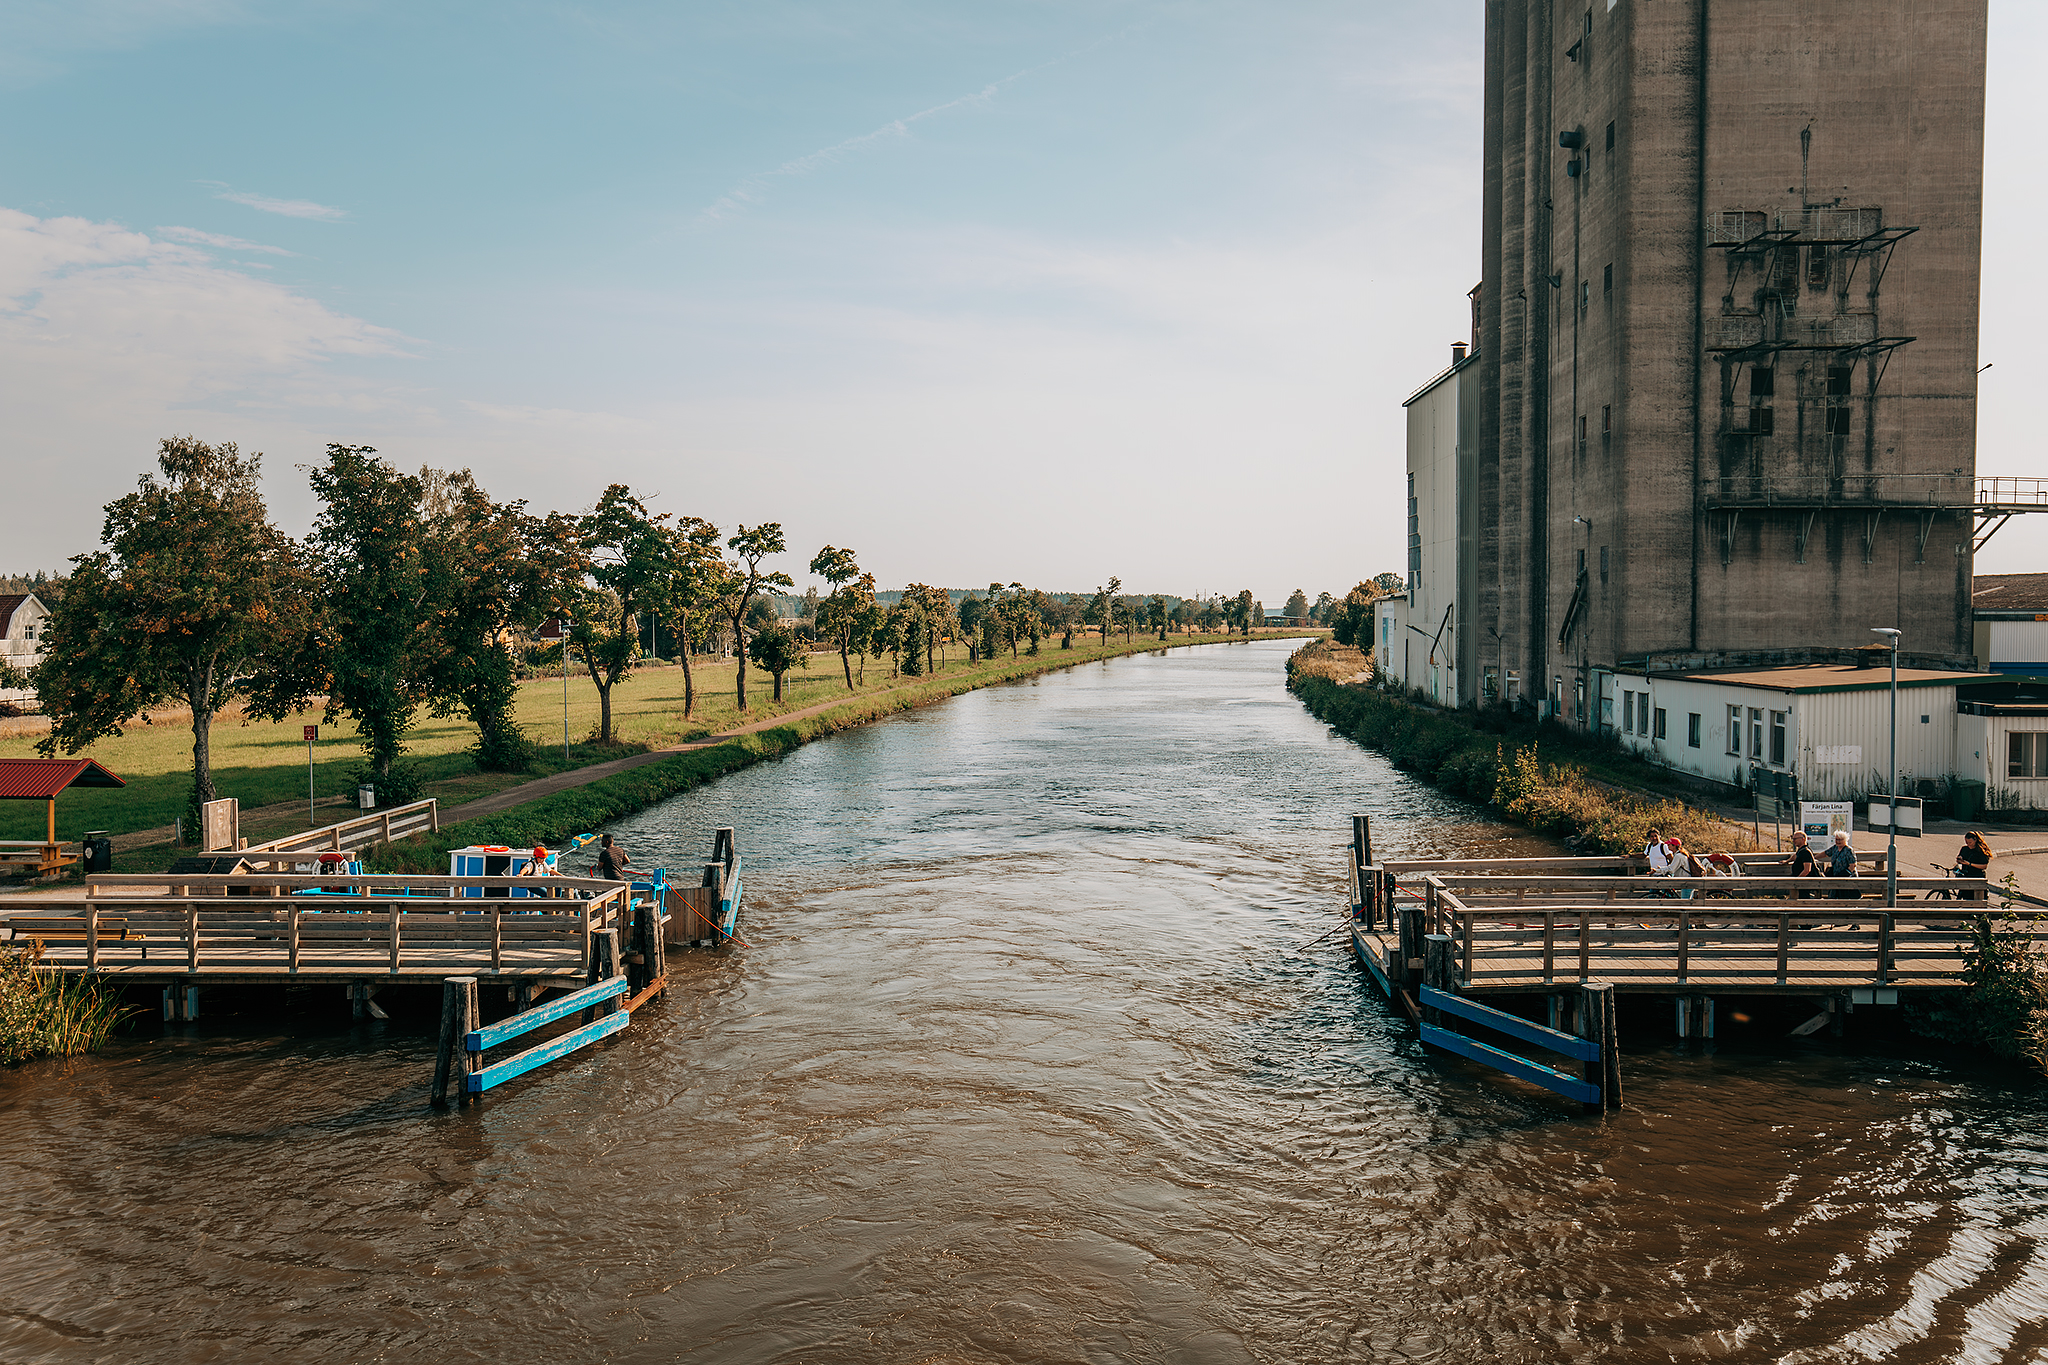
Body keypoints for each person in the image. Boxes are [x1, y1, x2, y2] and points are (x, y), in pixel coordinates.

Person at [1955, 830, 1993, 901]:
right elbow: (1960, 858)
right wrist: (1960, 860)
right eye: (1967, 842)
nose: (1968, 844)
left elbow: (1984, 866)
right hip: (1966, 876)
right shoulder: (1964, 849)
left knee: (1977, 898)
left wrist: (1969, 864)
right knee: (1966, 897)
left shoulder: (1981, 851)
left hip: (1977, 876)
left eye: (1970, 842)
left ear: (1975, 840)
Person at [1823, 830, 1859, 898]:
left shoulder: (1848, 850)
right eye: (1837, 839)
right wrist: (1813, 857)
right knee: (1833, 895)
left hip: (1846, 877)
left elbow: (1853, 865)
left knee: (1845, 896)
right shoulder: (1835, 848)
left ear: (1845, 840)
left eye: (1840, 840)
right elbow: (1826, 853)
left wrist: (1845, 873)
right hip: (1836, 876)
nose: (1838, 841)